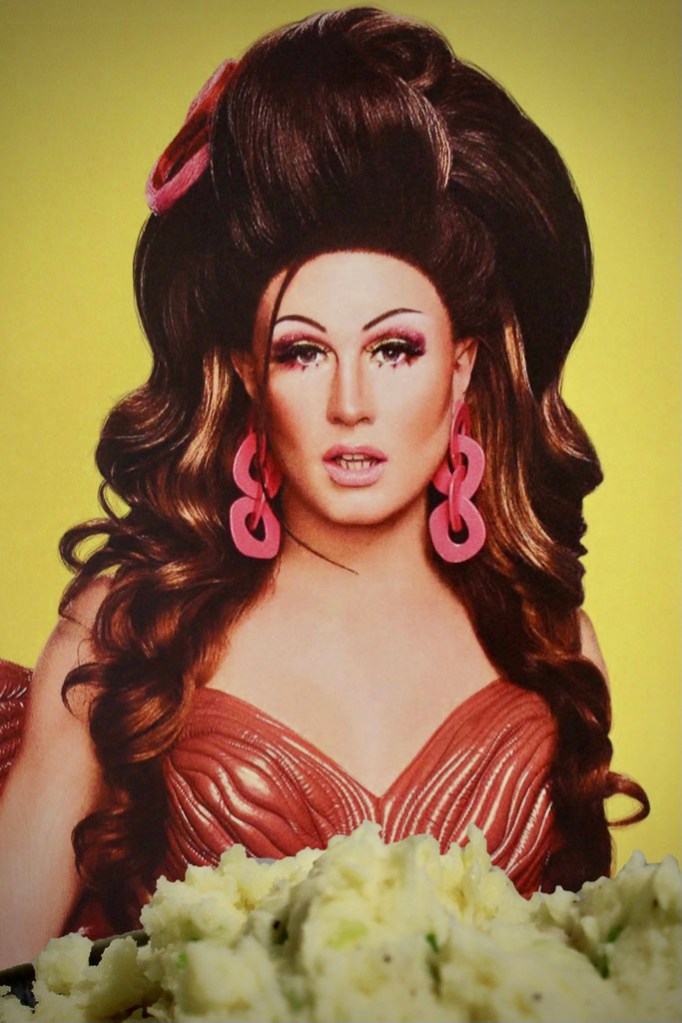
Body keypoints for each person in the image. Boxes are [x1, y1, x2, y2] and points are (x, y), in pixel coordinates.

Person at [0, 6, 647, 968]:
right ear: (249, 374)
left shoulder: (552, 641)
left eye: (395, 349)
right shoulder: (127, 630)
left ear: (461, 368)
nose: (351, 403)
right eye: (302, 352)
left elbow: (591, 977)